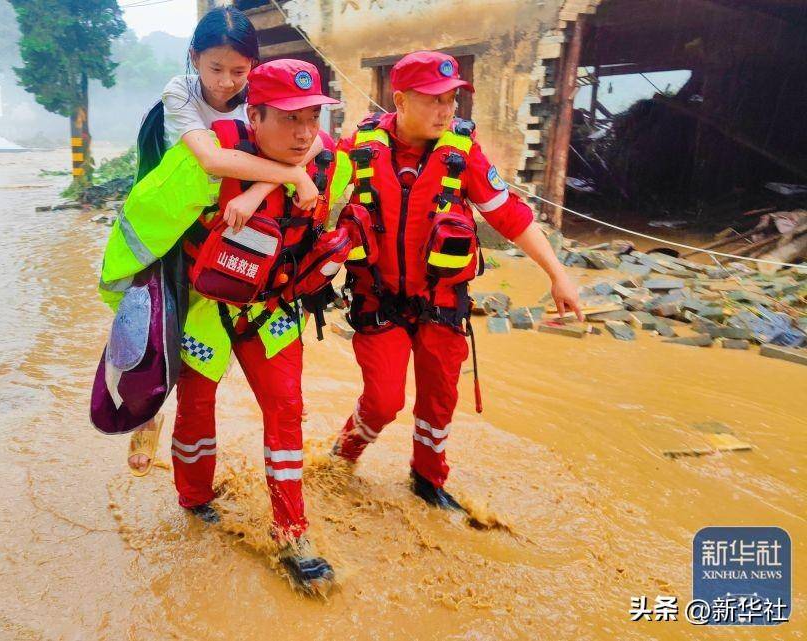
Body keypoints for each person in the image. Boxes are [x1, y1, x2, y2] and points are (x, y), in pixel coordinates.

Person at [99, 59, 351, 594]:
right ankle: (194, 500)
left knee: (286, 411)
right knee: (196, 411)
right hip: (204, 310)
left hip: (273, 311)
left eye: (312, 116)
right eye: (288, 118)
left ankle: (292, 531)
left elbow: (343, 215)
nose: (305, 131)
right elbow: (140, 225)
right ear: (252, 116)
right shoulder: (200, 165)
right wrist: (129, 311)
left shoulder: (333, 165)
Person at [331, 51, 583, 509]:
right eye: (434, 100)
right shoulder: (359, 148)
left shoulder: (462, 156)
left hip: (442, 304)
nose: (447, 111)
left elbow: (510, 217)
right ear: (401, 99)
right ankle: (341, 456)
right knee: (384, 401)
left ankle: (428, 481)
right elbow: (312, 182)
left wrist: (557, 275)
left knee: (439, 400)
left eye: (452, 99)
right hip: (378, 300)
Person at [126, 6, 325, 477]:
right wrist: (290, 175)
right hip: (177, 222)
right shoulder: (179, 93)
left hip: (236, 223)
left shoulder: (259, 94)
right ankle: (147, 414)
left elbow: (316, 140)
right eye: (215, 68)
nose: (225, 83)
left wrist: (259, 190)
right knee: (157, 322)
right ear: (194, 59)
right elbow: (213, 161)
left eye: (239, 71)